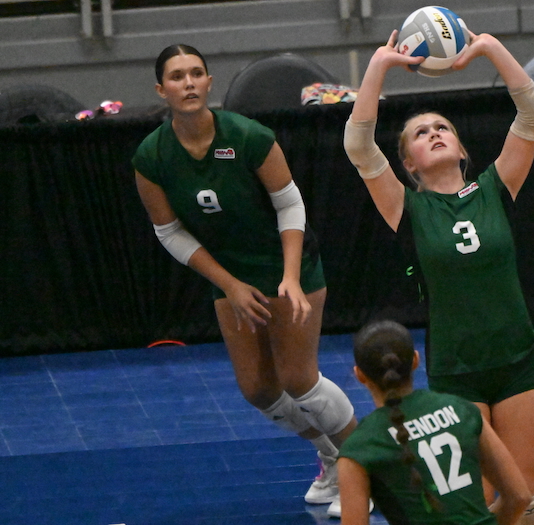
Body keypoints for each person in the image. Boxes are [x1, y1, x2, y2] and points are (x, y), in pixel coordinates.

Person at [132, 44, 357, 510]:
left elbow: (290, 204)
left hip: (287, 266)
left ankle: (363, 471)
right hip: (231, 276)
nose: (189, 83)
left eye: (197, 73)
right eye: (177, 76)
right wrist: (230, 284)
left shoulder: (248, 136)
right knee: (258, 389)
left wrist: (290, 277)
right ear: (160, 89)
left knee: (298, 379)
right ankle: (331, 455)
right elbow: (169, 231)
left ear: (209, 83)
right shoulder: (151, 157)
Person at [343, 29, 534, 524]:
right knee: (475, 502)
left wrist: (489, 48)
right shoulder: (407, 208)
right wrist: (379, 66)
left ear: (460, 149)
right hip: (457, 367)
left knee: (525, 497)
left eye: (442, 128)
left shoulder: (495, 187)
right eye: (420, 133)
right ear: (408, 164)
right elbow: (358, 145)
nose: (434, 133)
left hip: (518, 358)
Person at [338, 319, 531, 525]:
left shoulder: (358, 448)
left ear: (359, 375)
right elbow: (519, 497)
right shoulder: (462, 409)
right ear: (415, 360)